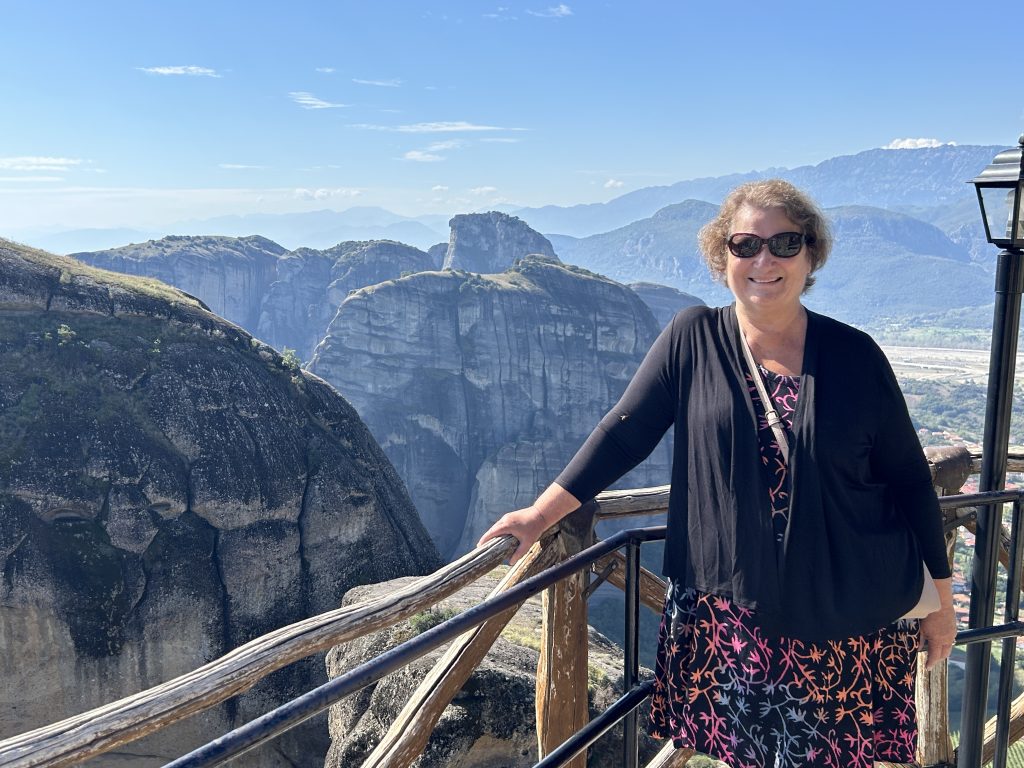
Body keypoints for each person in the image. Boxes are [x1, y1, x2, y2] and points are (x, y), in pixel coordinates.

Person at [478, 179, 958, 768]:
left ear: (811, 256)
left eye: (785, 243)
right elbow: (623, 432)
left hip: (846, 608)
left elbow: (909, 479)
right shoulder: (693, 337)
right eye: (745, 244)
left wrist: (941, 599)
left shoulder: (857, 355)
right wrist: (540, 514)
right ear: (720, 255)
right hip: (734, 608)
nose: (764, 260)